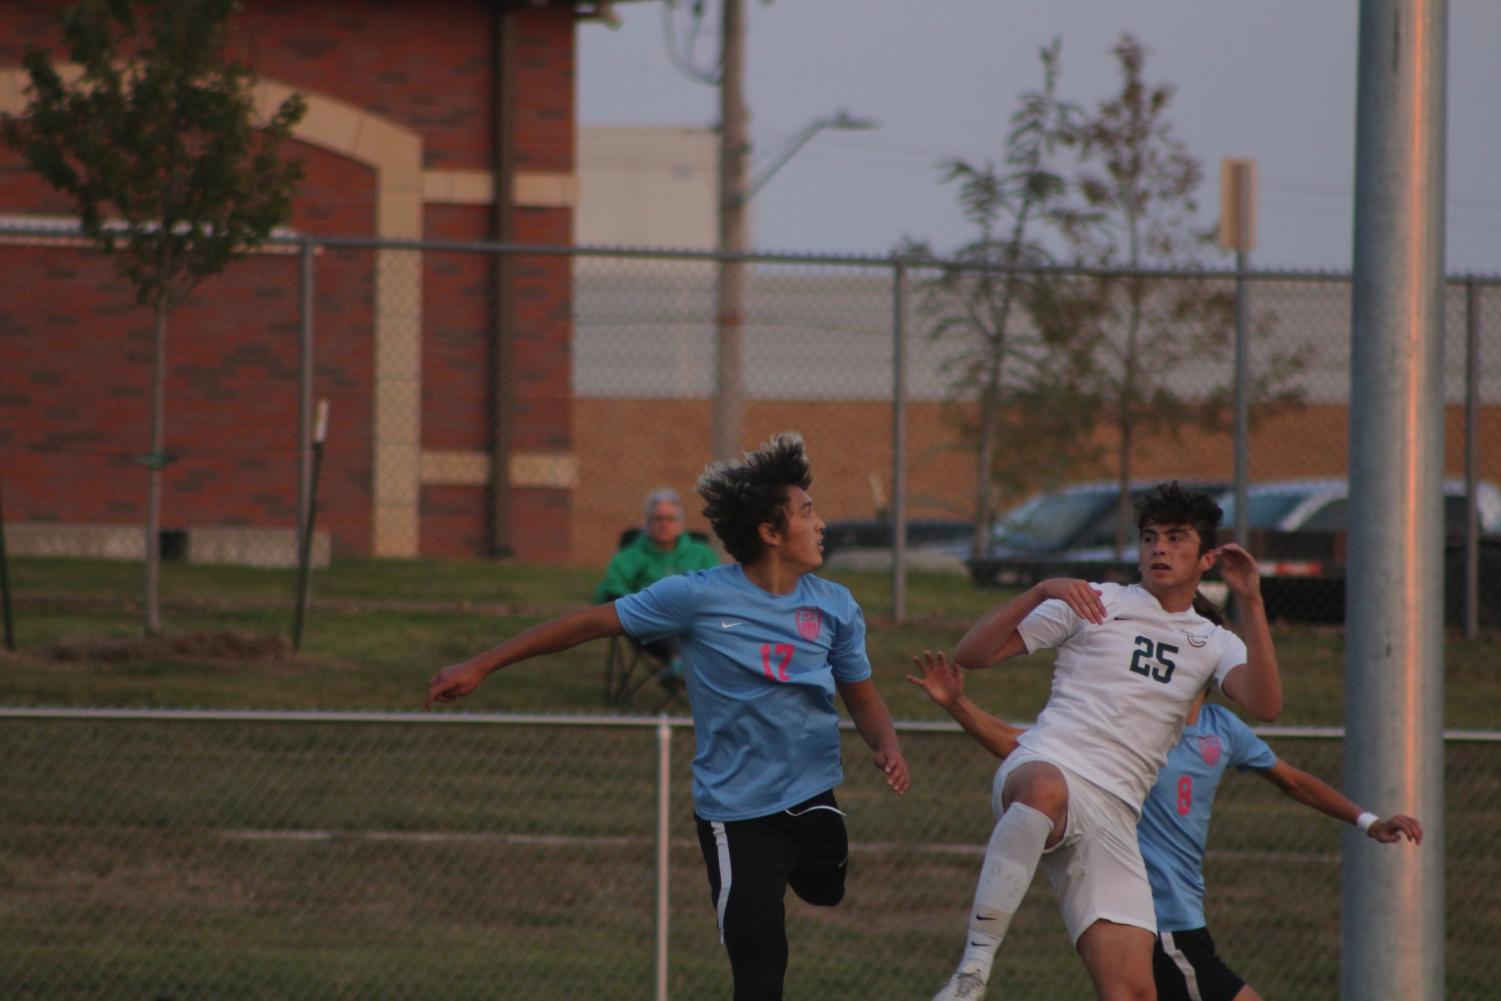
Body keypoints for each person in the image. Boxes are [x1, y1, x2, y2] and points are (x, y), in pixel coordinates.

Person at [425, 432, 909, 1001]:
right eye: (808, 512)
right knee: (759, 967)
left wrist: (887, 744)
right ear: (771, 533)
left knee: (825, 891)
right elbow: (586, 624)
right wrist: (483, 665)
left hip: (813, 795)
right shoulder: (695, 596)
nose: (822, 522)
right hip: (737, 813)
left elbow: (864, 698)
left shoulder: (835, 606)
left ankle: (818, 853)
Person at [924, 482, 1284, 1001]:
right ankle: (972, 971)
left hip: (1116, 816)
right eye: (1150, 537)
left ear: (1206, 557)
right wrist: (1040, 590)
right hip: (1049, 765)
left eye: (1177, 538)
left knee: (1133, 993)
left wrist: (1250, 600)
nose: (1159, 548)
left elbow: (1267, 704)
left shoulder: (1213, 641)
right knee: (1045, 788)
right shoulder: (1096, 602)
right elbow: (972, 654)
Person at [908, 648, 1423, 1001]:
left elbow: (1293, 780)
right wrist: (958, 705)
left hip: (1187, 914)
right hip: (1156, 920)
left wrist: (1368, 820)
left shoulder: (1224, 729)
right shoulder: (1127, 724)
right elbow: (1029, 751)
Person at [596, 487, 720, 684]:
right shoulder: (629, 556)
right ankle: (680, 664)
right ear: (646, 523)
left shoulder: (701, 553)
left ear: (681, 523)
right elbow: (612, 590)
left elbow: (717, 589)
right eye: (657, 519)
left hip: (696, 620)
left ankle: (682, 666)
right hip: (649, 623)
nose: (664, 525)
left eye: (670, 519)